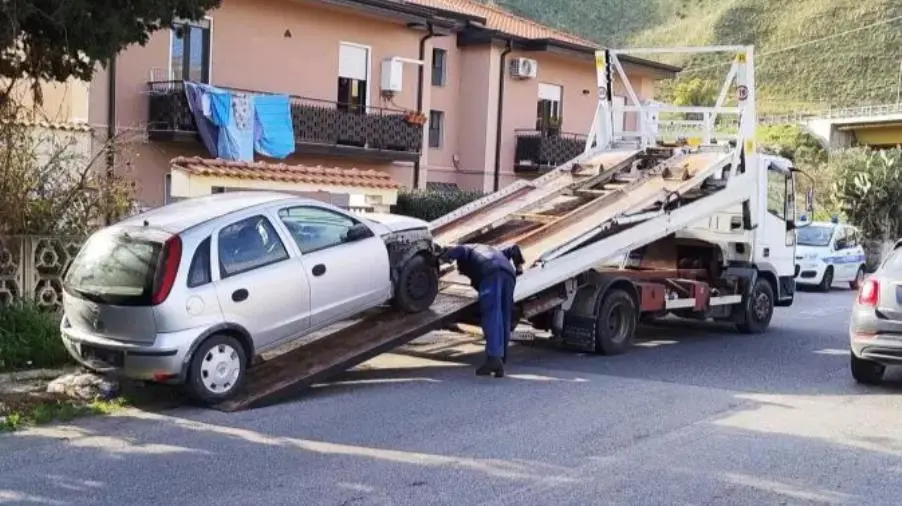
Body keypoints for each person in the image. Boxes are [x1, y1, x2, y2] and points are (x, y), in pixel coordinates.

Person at [439, 243, 524, 378]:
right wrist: (519, 266)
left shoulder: (466, 249)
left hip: (490, 272)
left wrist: (439, 258)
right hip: (508, 274)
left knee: (491, 314)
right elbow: (514, 249)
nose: (461, 272)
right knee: (504, 315)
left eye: (461, 270)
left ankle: (493, 359)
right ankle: (501, 358)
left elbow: (458, 250)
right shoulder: (493, 249)